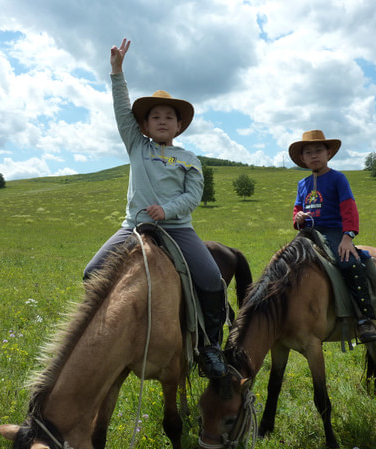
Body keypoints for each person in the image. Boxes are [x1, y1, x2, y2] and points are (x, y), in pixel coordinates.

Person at [83, 38, 228, 378]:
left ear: (179, 126)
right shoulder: (137, 146)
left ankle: (211, 347)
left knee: (211, 280)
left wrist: (167, 209)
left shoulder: (189, 159)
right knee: (92, 272)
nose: (162, 121)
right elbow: (122, 110)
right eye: (155, 117)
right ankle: (98, 336)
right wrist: (117, 72)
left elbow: (193, 197)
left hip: (178, 230)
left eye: (169, 117)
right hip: (133, 227)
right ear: (144, 126)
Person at [290, 129, 376, 343]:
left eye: (318, 151)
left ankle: (365, 318)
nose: (313, 155)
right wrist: (299, 216)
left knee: (348, 263)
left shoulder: (338, 178)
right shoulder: (302, 184)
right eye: (308, 152)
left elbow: (349, 209)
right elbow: (296, 211)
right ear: (302, 158)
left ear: (328, 153)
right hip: (308, 233)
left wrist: (347, 237)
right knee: (285, 264)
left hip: (334, 232)